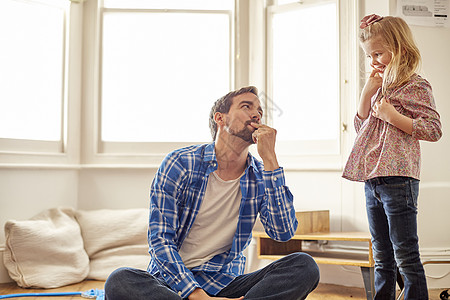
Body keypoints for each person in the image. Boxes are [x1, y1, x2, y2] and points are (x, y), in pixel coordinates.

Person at [105, 86, 320, 300]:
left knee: (304, 265)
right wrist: (196, 294)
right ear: (220, 118)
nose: (256, 115)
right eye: (246, 107)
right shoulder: (180, 163)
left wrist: (271, 160)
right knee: (120, 280)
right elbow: (160, 240)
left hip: (225, 284)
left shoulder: (262, 175)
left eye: (260, 111)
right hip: (171, 284)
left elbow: (282, 232)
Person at [343, 14, 442, 300]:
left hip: (399, 179)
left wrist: (393, 115)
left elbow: (434, 129)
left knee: (405, 254)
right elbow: (363, 131)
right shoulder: (378, 88)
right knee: (381, 254)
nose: (373, 60)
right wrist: (366, 95)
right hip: (372, 179)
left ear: (399, 48)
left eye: (378, 53)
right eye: (368, 55)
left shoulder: (416, 85)